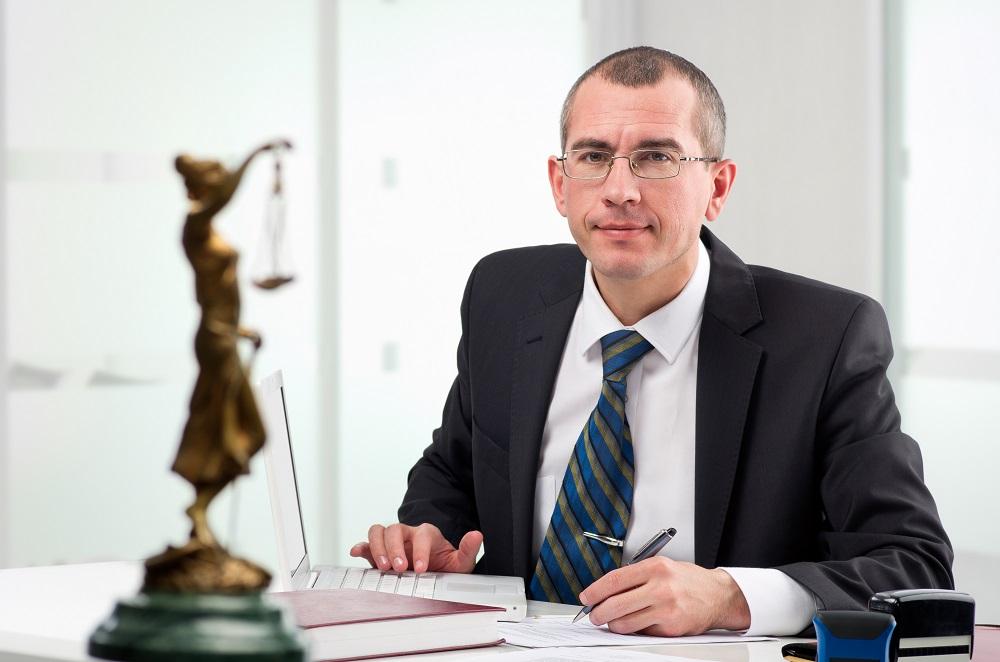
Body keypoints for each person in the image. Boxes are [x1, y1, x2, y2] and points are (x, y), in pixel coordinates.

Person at [350, 47, 953, 636]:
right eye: (593, 156)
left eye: (656, 157)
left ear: (718, 187)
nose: (619, 190)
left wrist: (728, 597)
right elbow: (452, 474)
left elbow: (914, 563)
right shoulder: (502, 294)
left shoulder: (825, 337)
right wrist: (428, 539)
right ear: (560, 183)